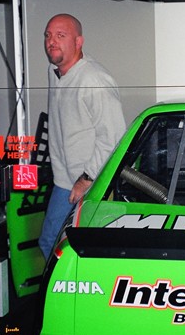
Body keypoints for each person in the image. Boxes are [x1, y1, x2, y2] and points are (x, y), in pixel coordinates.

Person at [38, 13, 126, 259]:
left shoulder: (94, 80)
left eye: (61, 35)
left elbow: (114, 137)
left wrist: (86, 179)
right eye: (48, 35)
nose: (51, 41)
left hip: (90, 182)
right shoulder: (54, 72)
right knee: (51, 243)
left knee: (78, 249)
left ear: (78, 42)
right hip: (65, 180)